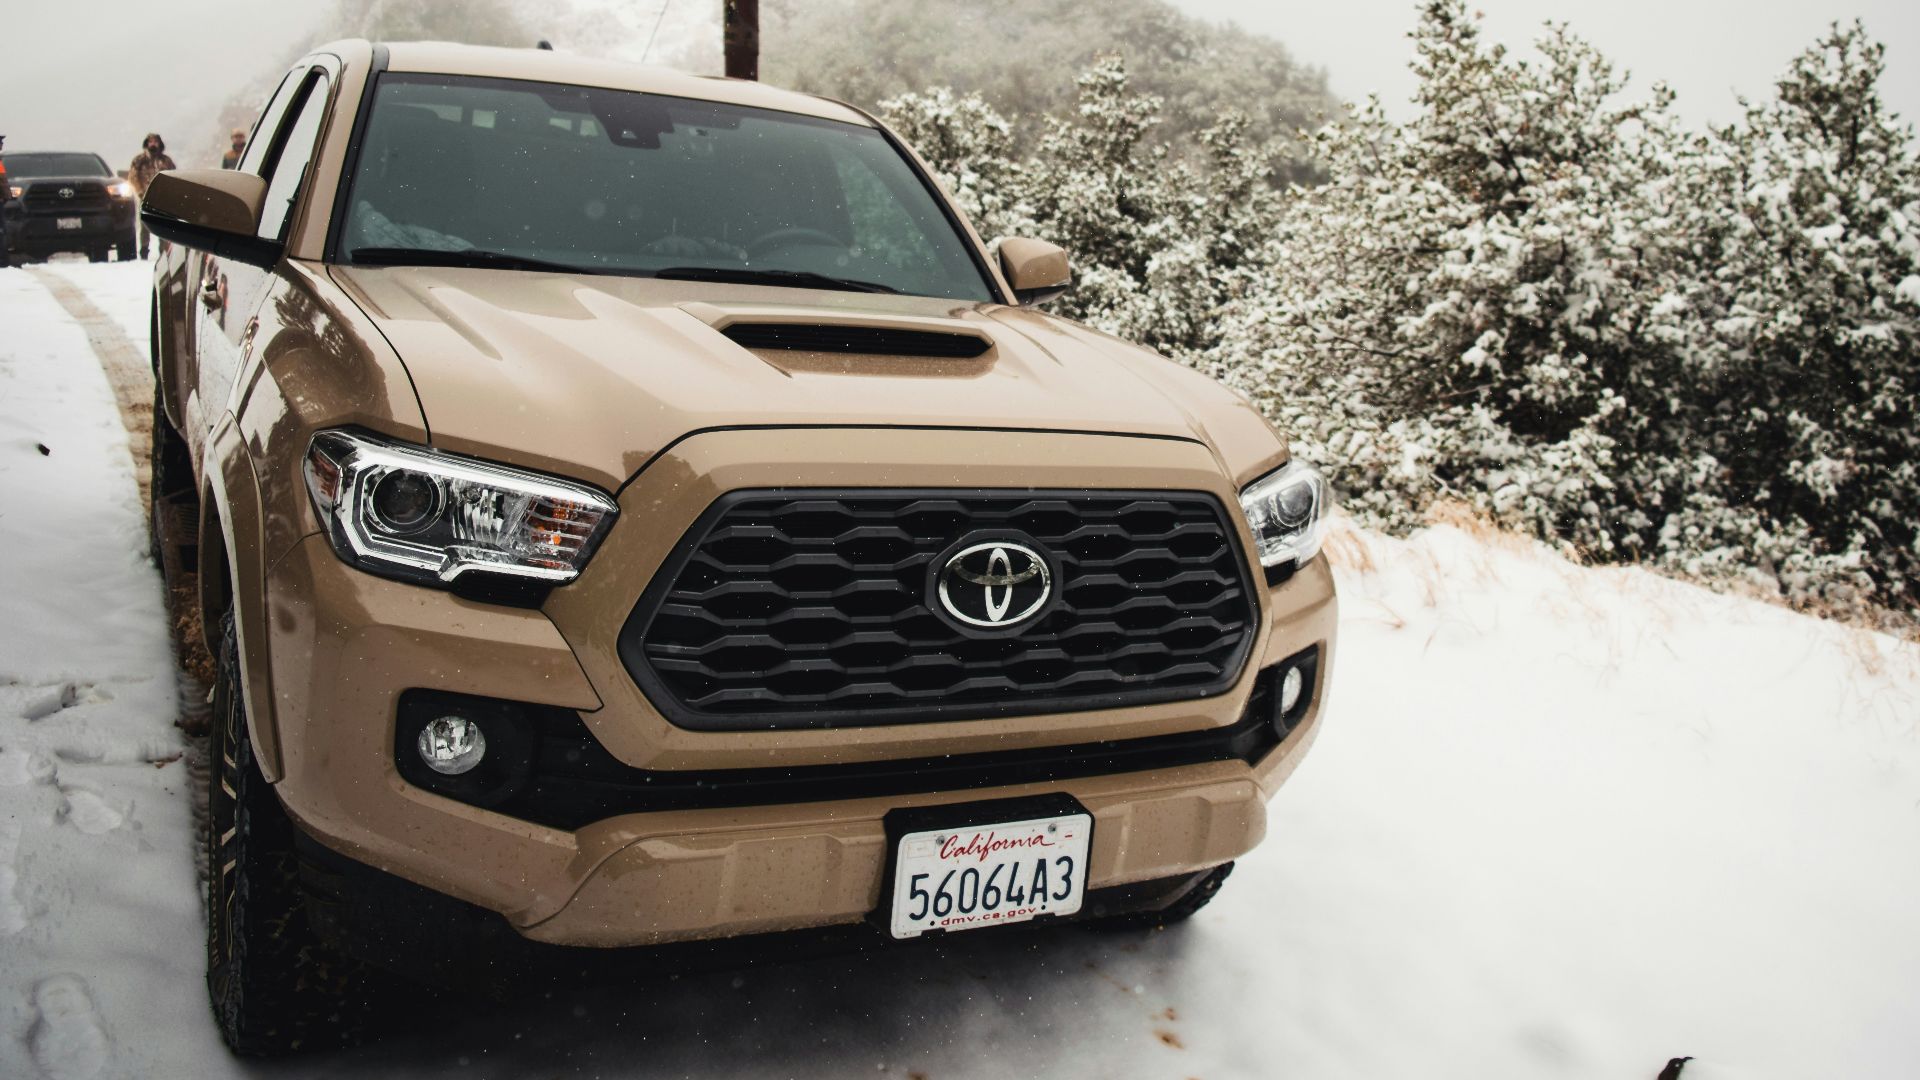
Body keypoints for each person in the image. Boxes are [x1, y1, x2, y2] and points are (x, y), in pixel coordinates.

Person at [129, 132, 176, 259]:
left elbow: (174, 177)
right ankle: (144, 251)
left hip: (162, 198)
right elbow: (133, 177)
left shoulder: (166, 161)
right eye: (150, 141)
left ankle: (164, 253)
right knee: (145, 226)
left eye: (155, 141)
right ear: (147, 143)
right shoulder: (139, 160)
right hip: (145, 197)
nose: (153, 144)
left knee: (162, 225)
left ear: (159, 143)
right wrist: (140, 192)